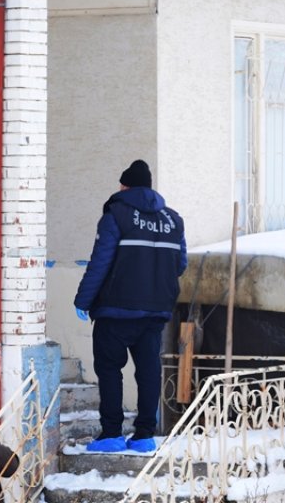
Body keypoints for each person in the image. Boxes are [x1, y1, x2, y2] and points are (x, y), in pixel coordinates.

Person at [73, 159, 186, 453]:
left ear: (125, 186)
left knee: (110, 369)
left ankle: (111, 434)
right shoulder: (174, 220)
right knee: (148, 370)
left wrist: (83, 299)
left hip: (115, 310)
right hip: (156, 311)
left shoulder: (115, 215)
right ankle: (145, 435)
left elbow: (101, 262)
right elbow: (180, 264)